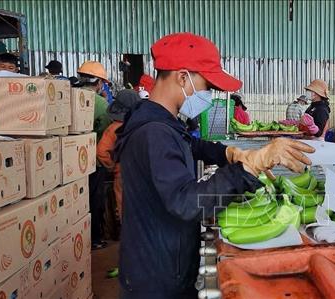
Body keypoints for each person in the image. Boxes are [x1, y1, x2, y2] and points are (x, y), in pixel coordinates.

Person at [113, 32, 314, 298]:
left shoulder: (162, 123)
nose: (208, 95)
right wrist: (248, 167)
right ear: (182, 77)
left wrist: (228, 153)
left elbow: (189, 146)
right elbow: (186, 202)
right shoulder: (154, 133)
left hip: (160, 261)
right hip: (156, 279)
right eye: (206, 85)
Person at [76, 60, 112, 249]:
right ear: (98, 83)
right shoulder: (101, 103)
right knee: (94, 199)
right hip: (92, 160)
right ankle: (94, 238)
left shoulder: (70, 96)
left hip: (70, 162)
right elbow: (106, 131)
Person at [97, 89, 142, 220]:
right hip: (143, 174)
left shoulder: (113, 129)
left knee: (125, 213)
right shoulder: (143, 125)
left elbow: (102, 152)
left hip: (122, 174)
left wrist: (114, 167)